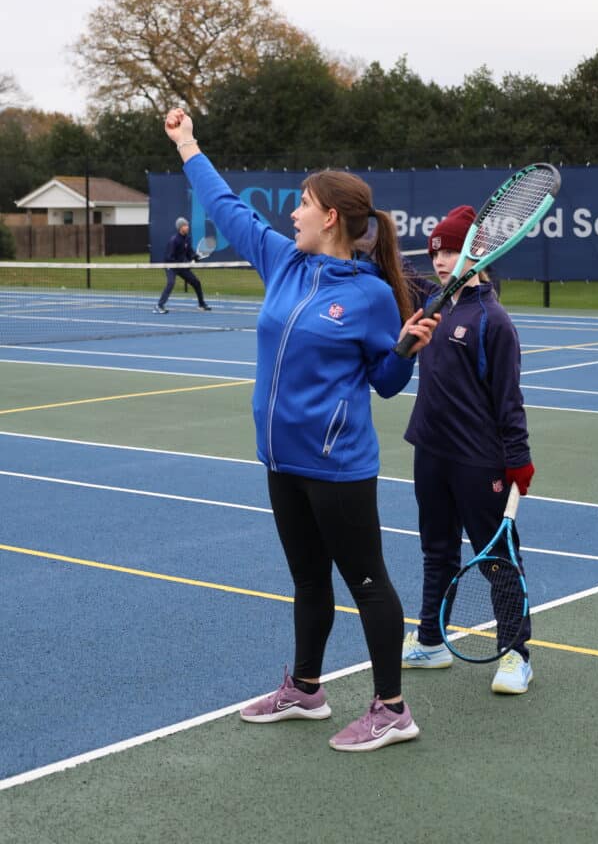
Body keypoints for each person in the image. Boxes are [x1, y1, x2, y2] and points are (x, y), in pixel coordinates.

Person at [164, 107, 438, 752]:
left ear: (331, 217)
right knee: (309, 581)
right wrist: (187, 145)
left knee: (366, 581)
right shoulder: (283, 262)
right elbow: (228, 207)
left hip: (338, 464)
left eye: (304, 204)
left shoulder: (370, 294)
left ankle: (392, 709)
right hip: (280, 459)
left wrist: (403, 351)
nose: (293, 214)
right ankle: (307, 690)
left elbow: (385, 384)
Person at [401, 205, 535, 694]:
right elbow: (390, 269)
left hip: (479, 461)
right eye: (437, 251)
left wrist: (518, 459)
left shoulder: (492, 320)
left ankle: (516, 653)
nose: (442, 260)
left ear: (479, 252)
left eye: (454, 250)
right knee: (437, 551)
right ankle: (431, 641)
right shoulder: (434, 304)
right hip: (429, 453)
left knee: (497, 558)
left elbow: (508, 400)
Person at [153, 216, 212, 313]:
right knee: (171, 283)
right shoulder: (174, 240)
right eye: (185, 225)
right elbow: (169, 257)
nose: (188, 227)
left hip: (181, 266)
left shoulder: (187, 239)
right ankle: (159, 306)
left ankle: (201, 305)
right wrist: (182, 263)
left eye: (187, 225)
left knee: (196, 282)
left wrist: (195, 257)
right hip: (170, 266)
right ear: (180, 228)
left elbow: (189, 253)